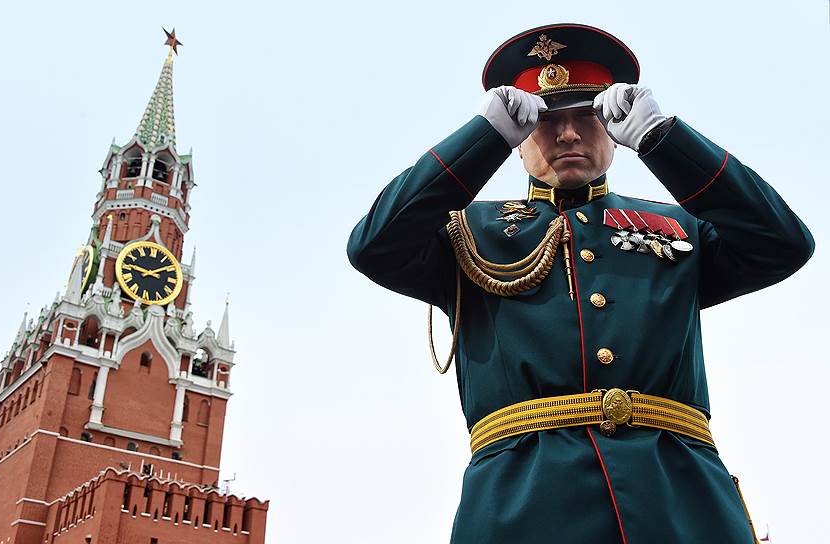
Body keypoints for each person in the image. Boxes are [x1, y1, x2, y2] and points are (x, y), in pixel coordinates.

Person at [346, 23, 813, 543]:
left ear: (614, 126)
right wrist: (481, 140)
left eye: (588, 116)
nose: (568, 133)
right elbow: (373, 246)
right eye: (547, 120)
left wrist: (666, 140)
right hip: (526, 508)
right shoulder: (466, 233)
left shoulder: (682, 231)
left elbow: (785, 242)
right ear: (519, 138)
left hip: (681, 504)